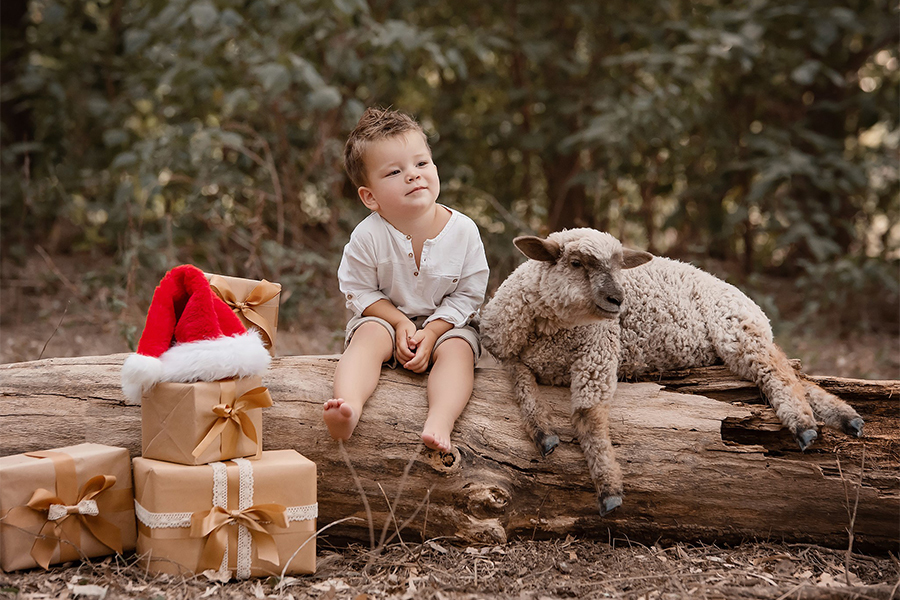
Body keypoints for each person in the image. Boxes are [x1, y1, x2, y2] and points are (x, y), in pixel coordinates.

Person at [323, 106, 489, 453]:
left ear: (435, 168)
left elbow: (469, 295)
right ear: (370, 197)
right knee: (366, 336)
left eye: (421, 164)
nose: (413, 175)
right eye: (395, 171)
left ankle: (441, 420)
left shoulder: (463, 232)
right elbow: (358, 290)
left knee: (459, 350)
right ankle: (347, 406)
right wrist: (398, 322)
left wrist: (432, 331)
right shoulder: (367, 237)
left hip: (447, 326)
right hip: (385, 321)